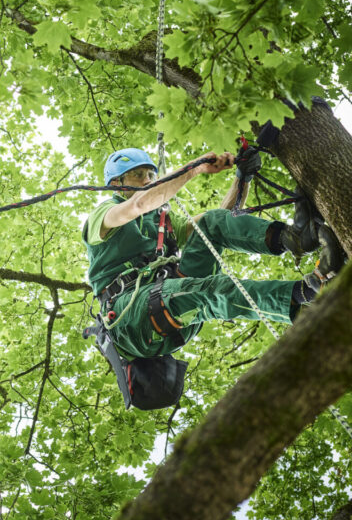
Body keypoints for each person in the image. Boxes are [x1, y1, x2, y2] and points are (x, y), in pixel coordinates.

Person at [83, 148, 345, 364]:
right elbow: (138, 204)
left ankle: (295, 238)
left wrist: (243, 179)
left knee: (210, 223)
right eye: (138, 175)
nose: (148, 180)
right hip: (133, 320)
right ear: (116, 184)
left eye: (151, 174)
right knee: (208, 290)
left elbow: (216, 227)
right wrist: (194, 168)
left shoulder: (161, 221)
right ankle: (308, 295)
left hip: (170, 294)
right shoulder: (104, 215)